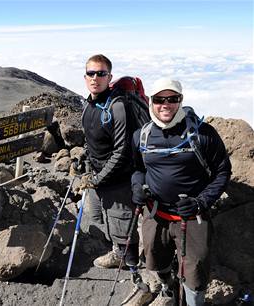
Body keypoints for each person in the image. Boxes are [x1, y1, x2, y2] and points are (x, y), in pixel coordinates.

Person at [131, 78, 231, 306]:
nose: (165, 105)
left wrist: (200, 202)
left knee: (195, 273)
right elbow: (137, 169)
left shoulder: (202, 134)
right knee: (154, 259)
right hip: (155, 214)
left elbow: (223, 171)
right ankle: (168, 284)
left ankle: (194, 301)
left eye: (172, 99)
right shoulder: (141, 136)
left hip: (193, 216)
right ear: (151, 102)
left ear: (180, 101)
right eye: (159, 99)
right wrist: (137, 187)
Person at [78, 54, 151, 305]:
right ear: (85, 76)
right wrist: (84, 161)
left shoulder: (116, 107)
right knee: (101, 219)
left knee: (124, 228)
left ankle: (137, 279)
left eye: (101, 73)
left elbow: (121, 152)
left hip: (118, 181)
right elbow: (93, 142)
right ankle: (118, 253)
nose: (95, 78)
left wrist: (99, 177)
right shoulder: (88, 104)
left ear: (109, 77)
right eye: (91, 73)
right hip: (99, 179)